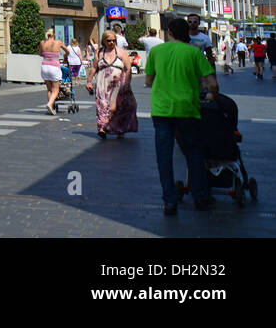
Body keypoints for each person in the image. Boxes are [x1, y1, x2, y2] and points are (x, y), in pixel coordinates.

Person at [144, 18, 218, 215]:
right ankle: (200, 196)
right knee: (194, 152)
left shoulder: (157, 52)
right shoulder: (194, 52)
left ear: (169, 33)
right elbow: (212, 83)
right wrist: (212, 95)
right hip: (187, 109)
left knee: (164, 156)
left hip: (161, 109)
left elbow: (149, 80)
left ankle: (169, 201)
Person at [86, 30, 138, 138]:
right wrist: (89, 81)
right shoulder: (99, 52)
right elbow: (94, 67)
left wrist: (127, 83)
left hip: (118, 84)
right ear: (104, 41)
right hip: (102, 84)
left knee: (116, 107)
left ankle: (119, 129)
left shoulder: (121, 52)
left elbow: (128, 68)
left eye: (114, 40)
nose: (111, 43)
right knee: (102, 105)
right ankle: (102, 128)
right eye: (109, 40)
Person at [39, 29, 65, 115]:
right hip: (54, 67)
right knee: (55, 89)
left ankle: (51, 107)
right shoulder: (58, 42)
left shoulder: (42, 42)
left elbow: (40, 53)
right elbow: (67, 51)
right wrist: (65, 56)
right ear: (54, 34)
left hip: (44, 67)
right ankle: (50, 104)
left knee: (49, 89)